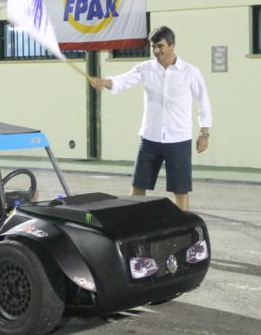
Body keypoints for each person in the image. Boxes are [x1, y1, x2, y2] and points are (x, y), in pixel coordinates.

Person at [89, 26, 211, 211]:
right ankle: (134, 224)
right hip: (150, 139)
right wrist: (105, 82)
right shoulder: (146, 69)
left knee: (181, 191)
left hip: (178, 140)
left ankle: (184, 227)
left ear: (172, 45)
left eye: (160, 46)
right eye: (153, 46)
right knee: (138, 187)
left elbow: (204, 103)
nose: (156, 50)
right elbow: (124, 80)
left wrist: (204, 133)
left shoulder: (190, 72)